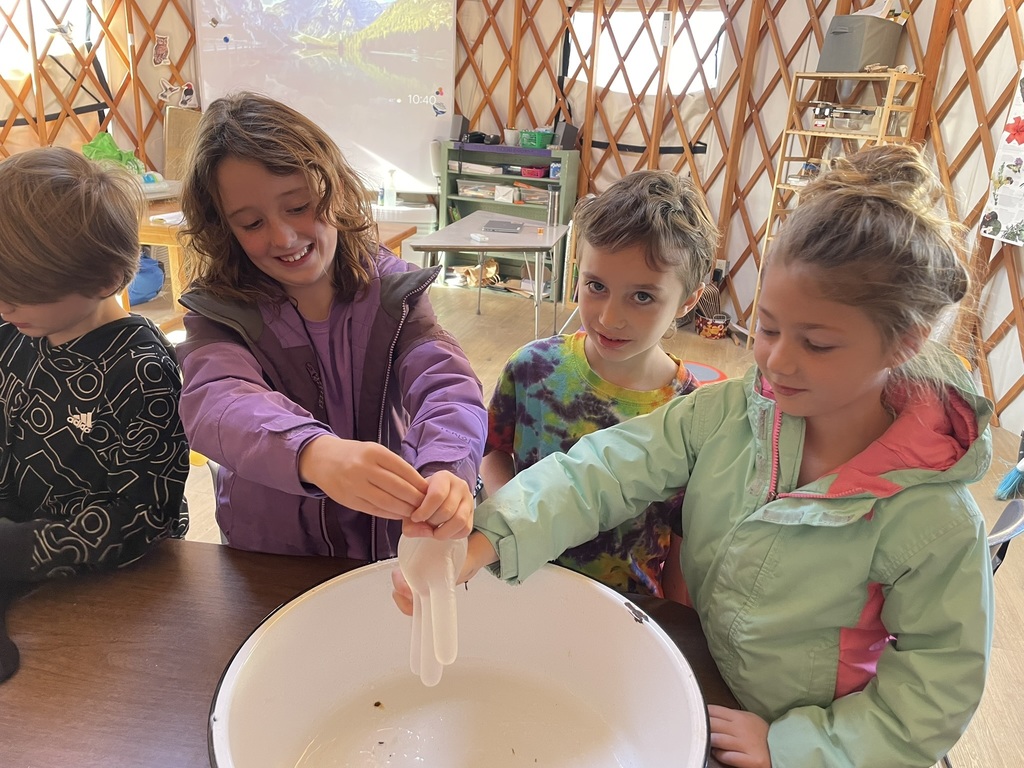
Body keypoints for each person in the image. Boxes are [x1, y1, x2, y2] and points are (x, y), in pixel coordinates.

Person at [394, 144, 995, 767]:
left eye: (816, 344)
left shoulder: (933, 518)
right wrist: (487, 539)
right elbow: (602, 470)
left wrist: (798, 746)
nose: (777, 361)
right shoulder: (731, 413)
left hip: (820, 738)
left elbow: (937, 685)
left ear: (903, 343)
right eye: (767, 327)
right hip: (704, 674)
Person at [176, 92, 487, 559]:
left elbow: (446, 383)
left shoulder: (392, 293)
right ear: (224, 229)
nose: (283, 237)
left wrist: (446, 464)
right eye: (252, 223)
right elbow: (217, 401)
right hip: (273, 557)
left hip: (387, 543)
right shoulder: (220, 312)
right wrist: (312, 453)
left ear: (334, 186)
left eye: (298, 206)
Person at [480, 170, 718, 597]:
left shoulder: (691, 417)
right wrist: (514, 518)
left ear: (689, 300)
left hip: (626, 607)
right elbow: (492, 451)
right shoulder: (532, 368)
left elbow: (686, 546)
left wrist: (677, 621)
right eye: (596, 286)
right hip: (523, 585)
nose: (609, 317)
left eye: (642, 296)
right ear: (578, 272)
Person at [0, 147, 190, 681]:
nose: (4, 307)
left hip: (116, 581)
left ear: (106, 278)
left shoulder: (141, 369)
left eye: (22, 294)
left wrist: (18, 548)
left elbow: (144, 515)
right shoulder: (13, 334)